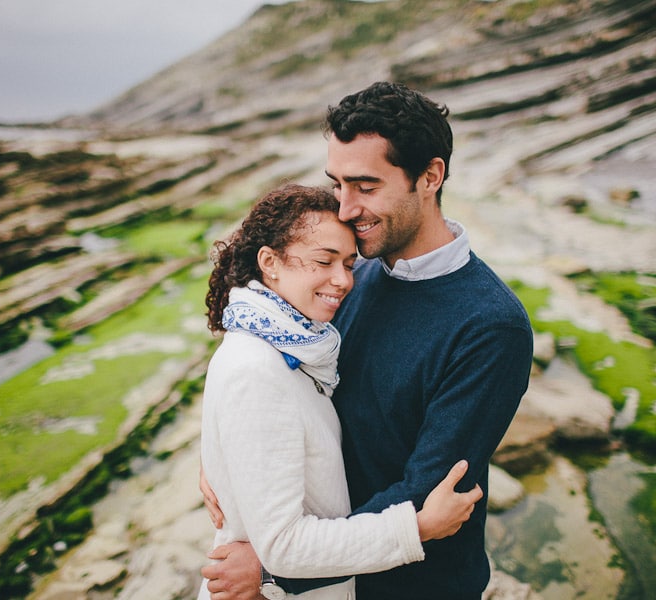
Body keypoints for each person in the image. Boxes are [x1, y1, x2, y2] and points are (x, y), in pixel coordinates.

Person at [201, 82, 533, 600]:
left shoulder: (490, 325)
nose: (346, 209)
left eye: (365, 186)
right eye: (337, 184)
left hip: (412, 584)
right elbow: (275, 376)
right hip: (330, 574)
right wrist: (231, 460)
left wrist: (270, 566)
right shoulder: (353, 275)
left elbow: (427, 494)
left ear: (430, 176)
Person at [199, 183, 485, 600]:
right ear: (269, 262)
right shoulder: (257, 367)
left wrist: (222, 457)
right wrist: (417, 527)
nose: (343, 281)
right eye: (324, 260)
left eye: (349, 263)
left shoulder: (298, 342)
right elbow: (284, 548)